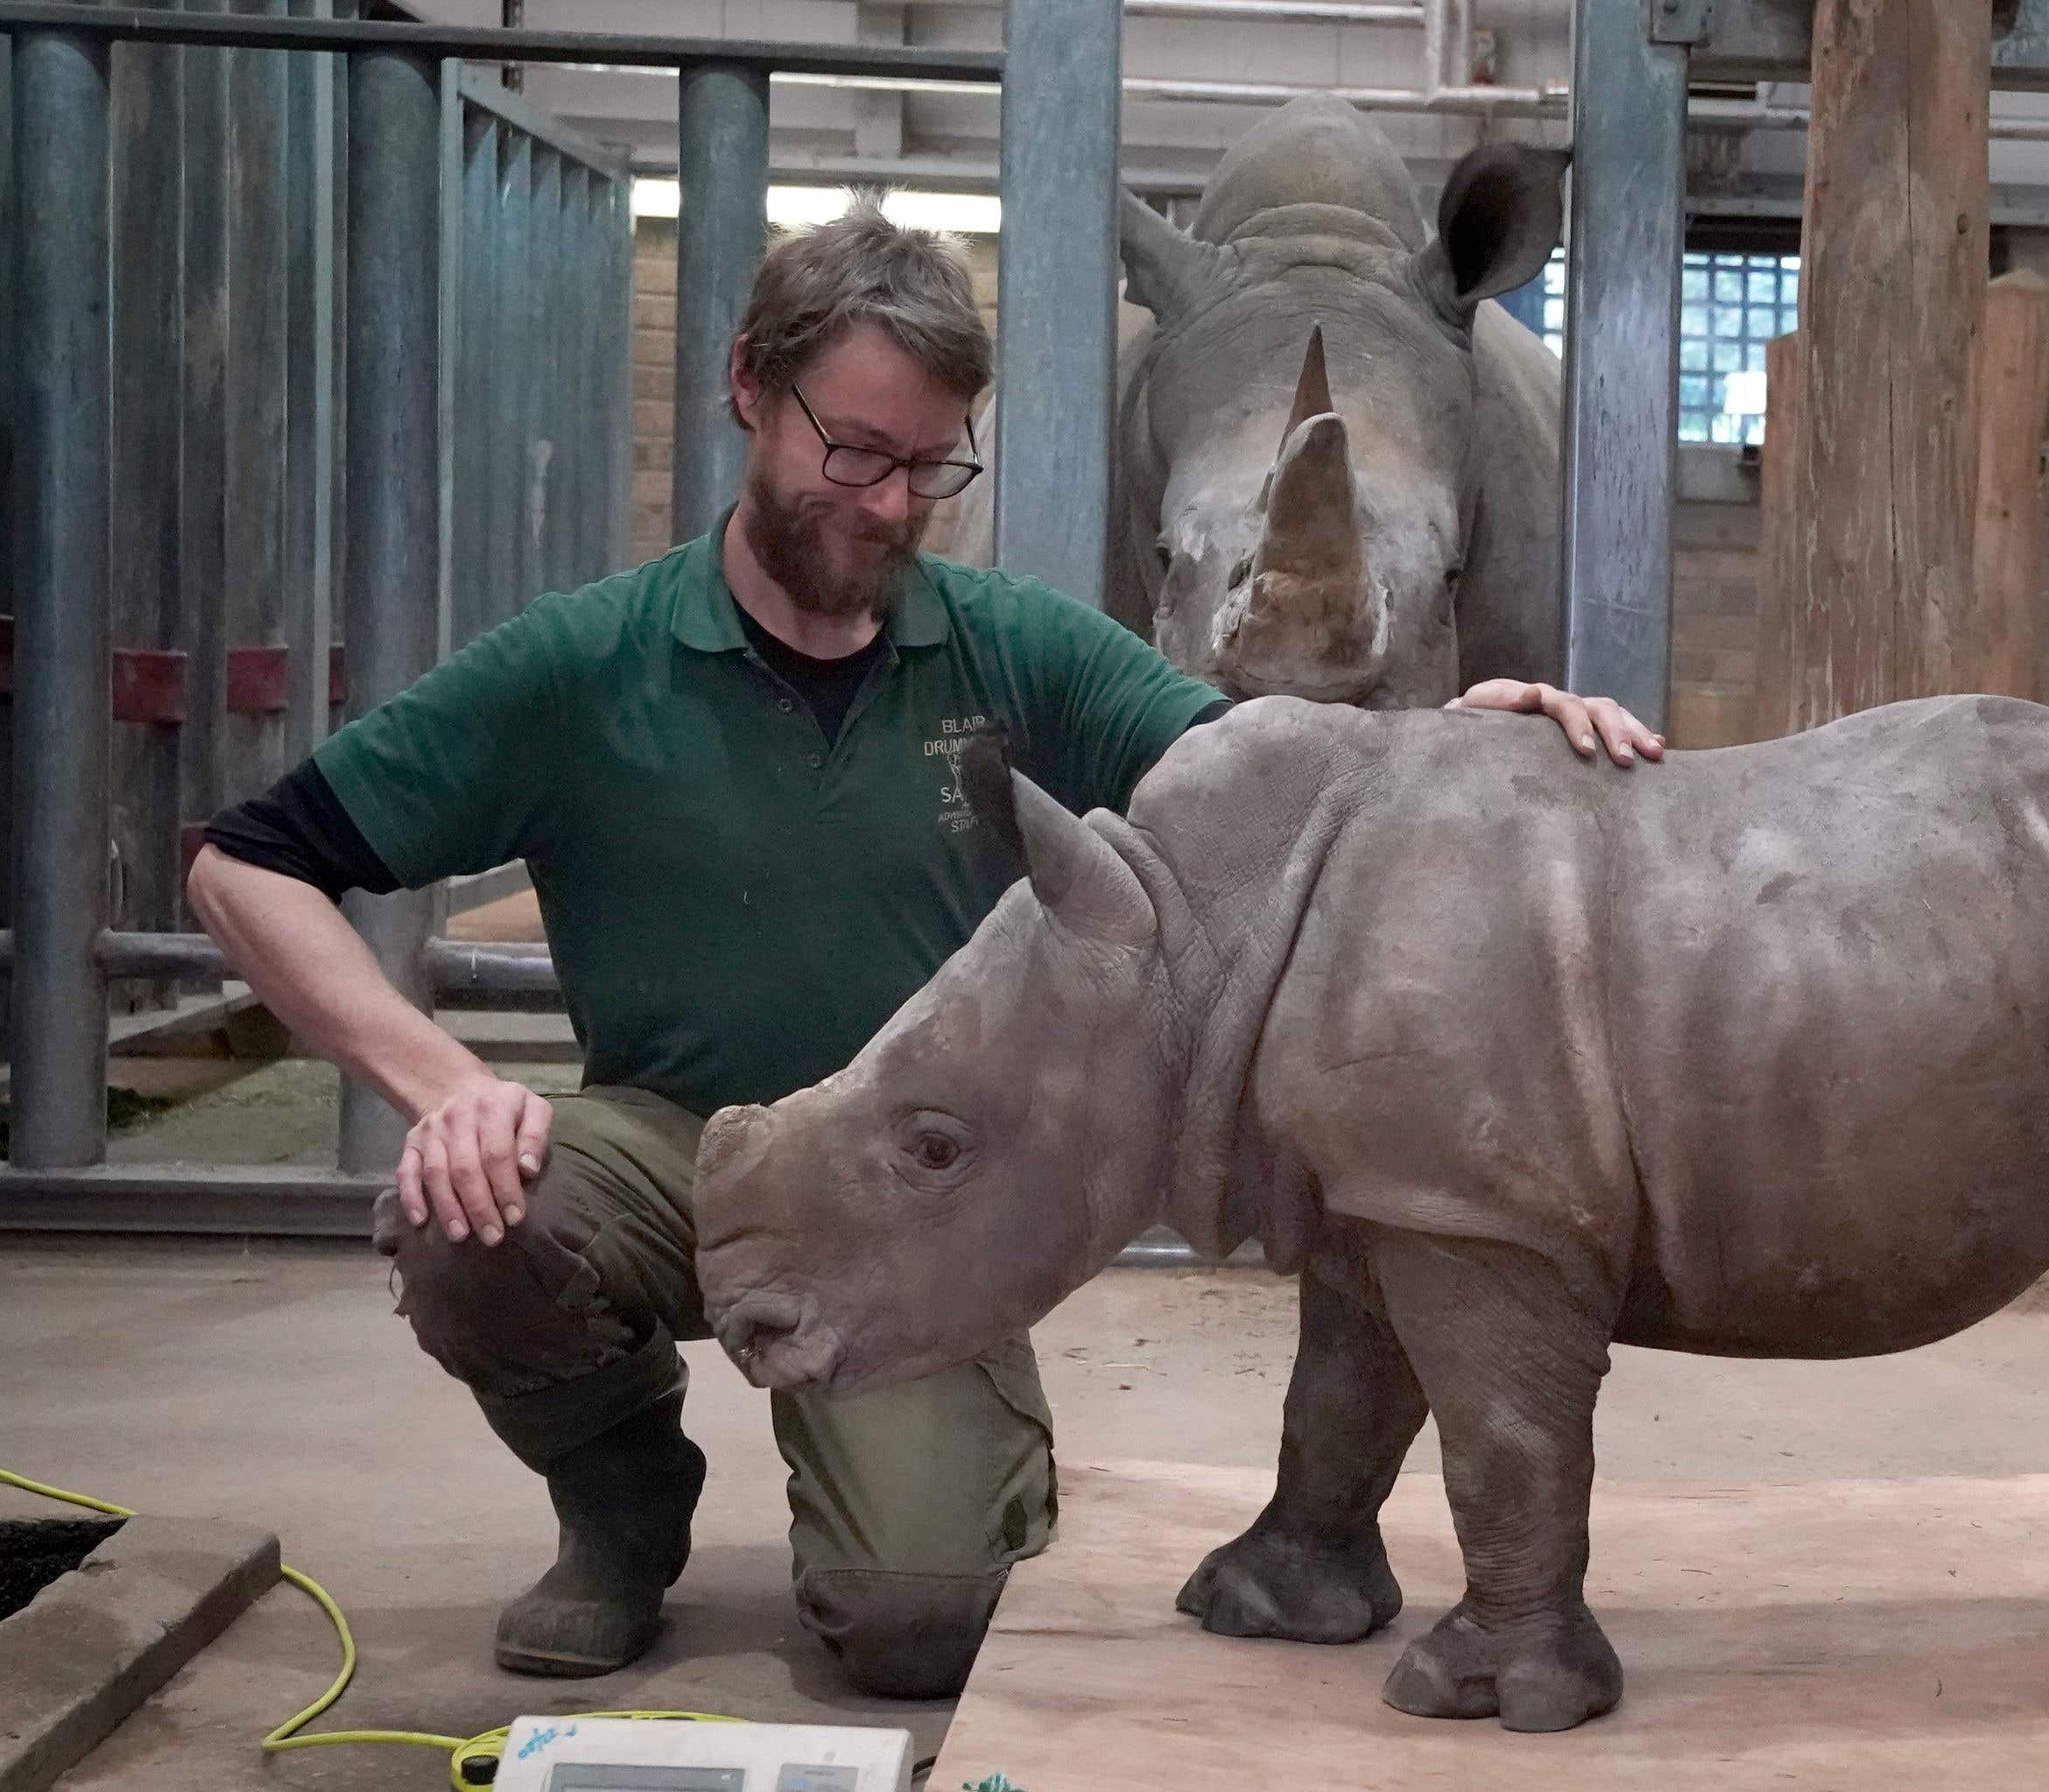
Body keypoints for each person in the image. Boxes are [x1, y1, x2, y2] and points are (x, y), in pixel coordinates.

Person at [188, 201, 1661, 1699]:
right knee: (471, 1220)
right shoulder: (587, 665)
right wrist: (435, 1076)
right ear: (751, 391)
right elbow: (245, 864)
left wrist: (1456, 754)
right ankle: (619, 1494)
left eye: (931, 467)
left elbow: (1274, 775)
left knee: (916, 1625)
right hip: (667, 1152)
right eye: (857, 454)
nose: (893, 507)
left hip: (920, 1182)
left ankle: (901, 1482)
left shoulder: (1010, 647)